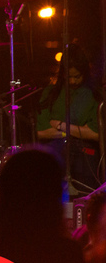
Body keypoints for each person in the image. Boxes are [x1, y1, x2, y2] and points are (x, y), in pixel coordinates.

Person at [35, 47, 100, 189]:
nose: (72, 81)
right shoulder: (50, 93)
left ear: (85, 72)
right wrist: (74, 131)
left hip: (84, 159)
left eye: (77, 76)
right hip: (54, 156)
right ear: (63, 73)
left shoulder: (94, 95)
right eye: (68, 76)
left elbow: (96, 134)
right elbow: (41, 132)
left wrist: (61, 125)